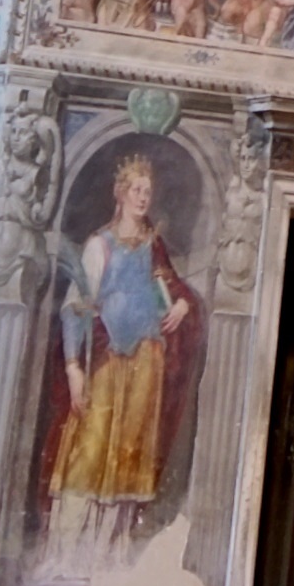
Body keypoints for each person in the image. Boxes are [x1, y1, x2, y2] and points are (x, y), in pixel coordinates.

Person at [44, 148, 197, 564]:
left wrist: (181, 306)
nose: (143, 197)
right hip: (109, 359)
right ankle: (70, 552)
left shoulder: (154, 245)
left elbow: (171, 292)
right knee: (92, 444)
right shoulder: (100, 244)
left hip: (148, 359)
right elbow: (77, 306)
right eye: (136, 189)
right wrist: (74, 367)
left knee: (131, 449)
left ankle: (110, 551)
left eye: (148, 190)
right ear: (121, 194)